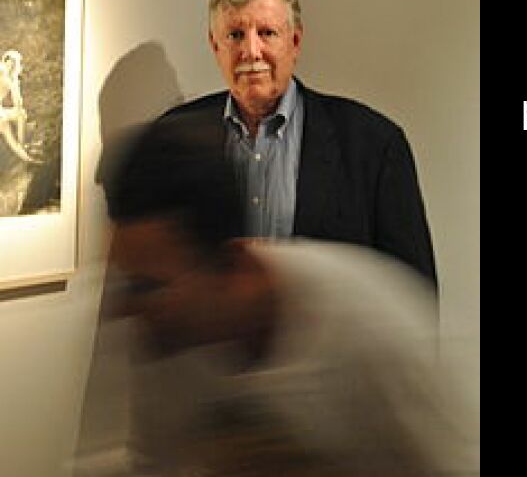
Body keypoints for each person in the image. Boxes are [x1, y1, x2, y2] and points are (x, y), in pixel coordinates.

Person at [101, 115, 470, 475]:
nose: (127, 310)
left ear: (231, 262)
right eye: (127, 283)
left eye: (148, 287)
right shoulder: (164, 342)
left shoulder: (375, 327)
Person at [158, 0, 436, 284]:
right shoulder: (173, 136)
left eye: (267, 33)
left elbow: (414, 291)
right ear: (214, 45)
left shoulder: (373, 144)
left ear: (295, 41)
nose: (251, 51)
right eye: (235, 35)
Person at [1, 49, 37, 163]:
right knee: (19, 116)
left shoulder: (12, 78)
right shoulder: (1, 71)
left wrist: (15, 83)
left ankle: (25, 156)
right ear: (4, 61)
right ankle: (23, 148)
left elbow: (18, 102)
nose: (9, 65)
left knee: (9, 133)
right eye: (8, 61)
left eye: (13, 63)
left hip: (1, 111)